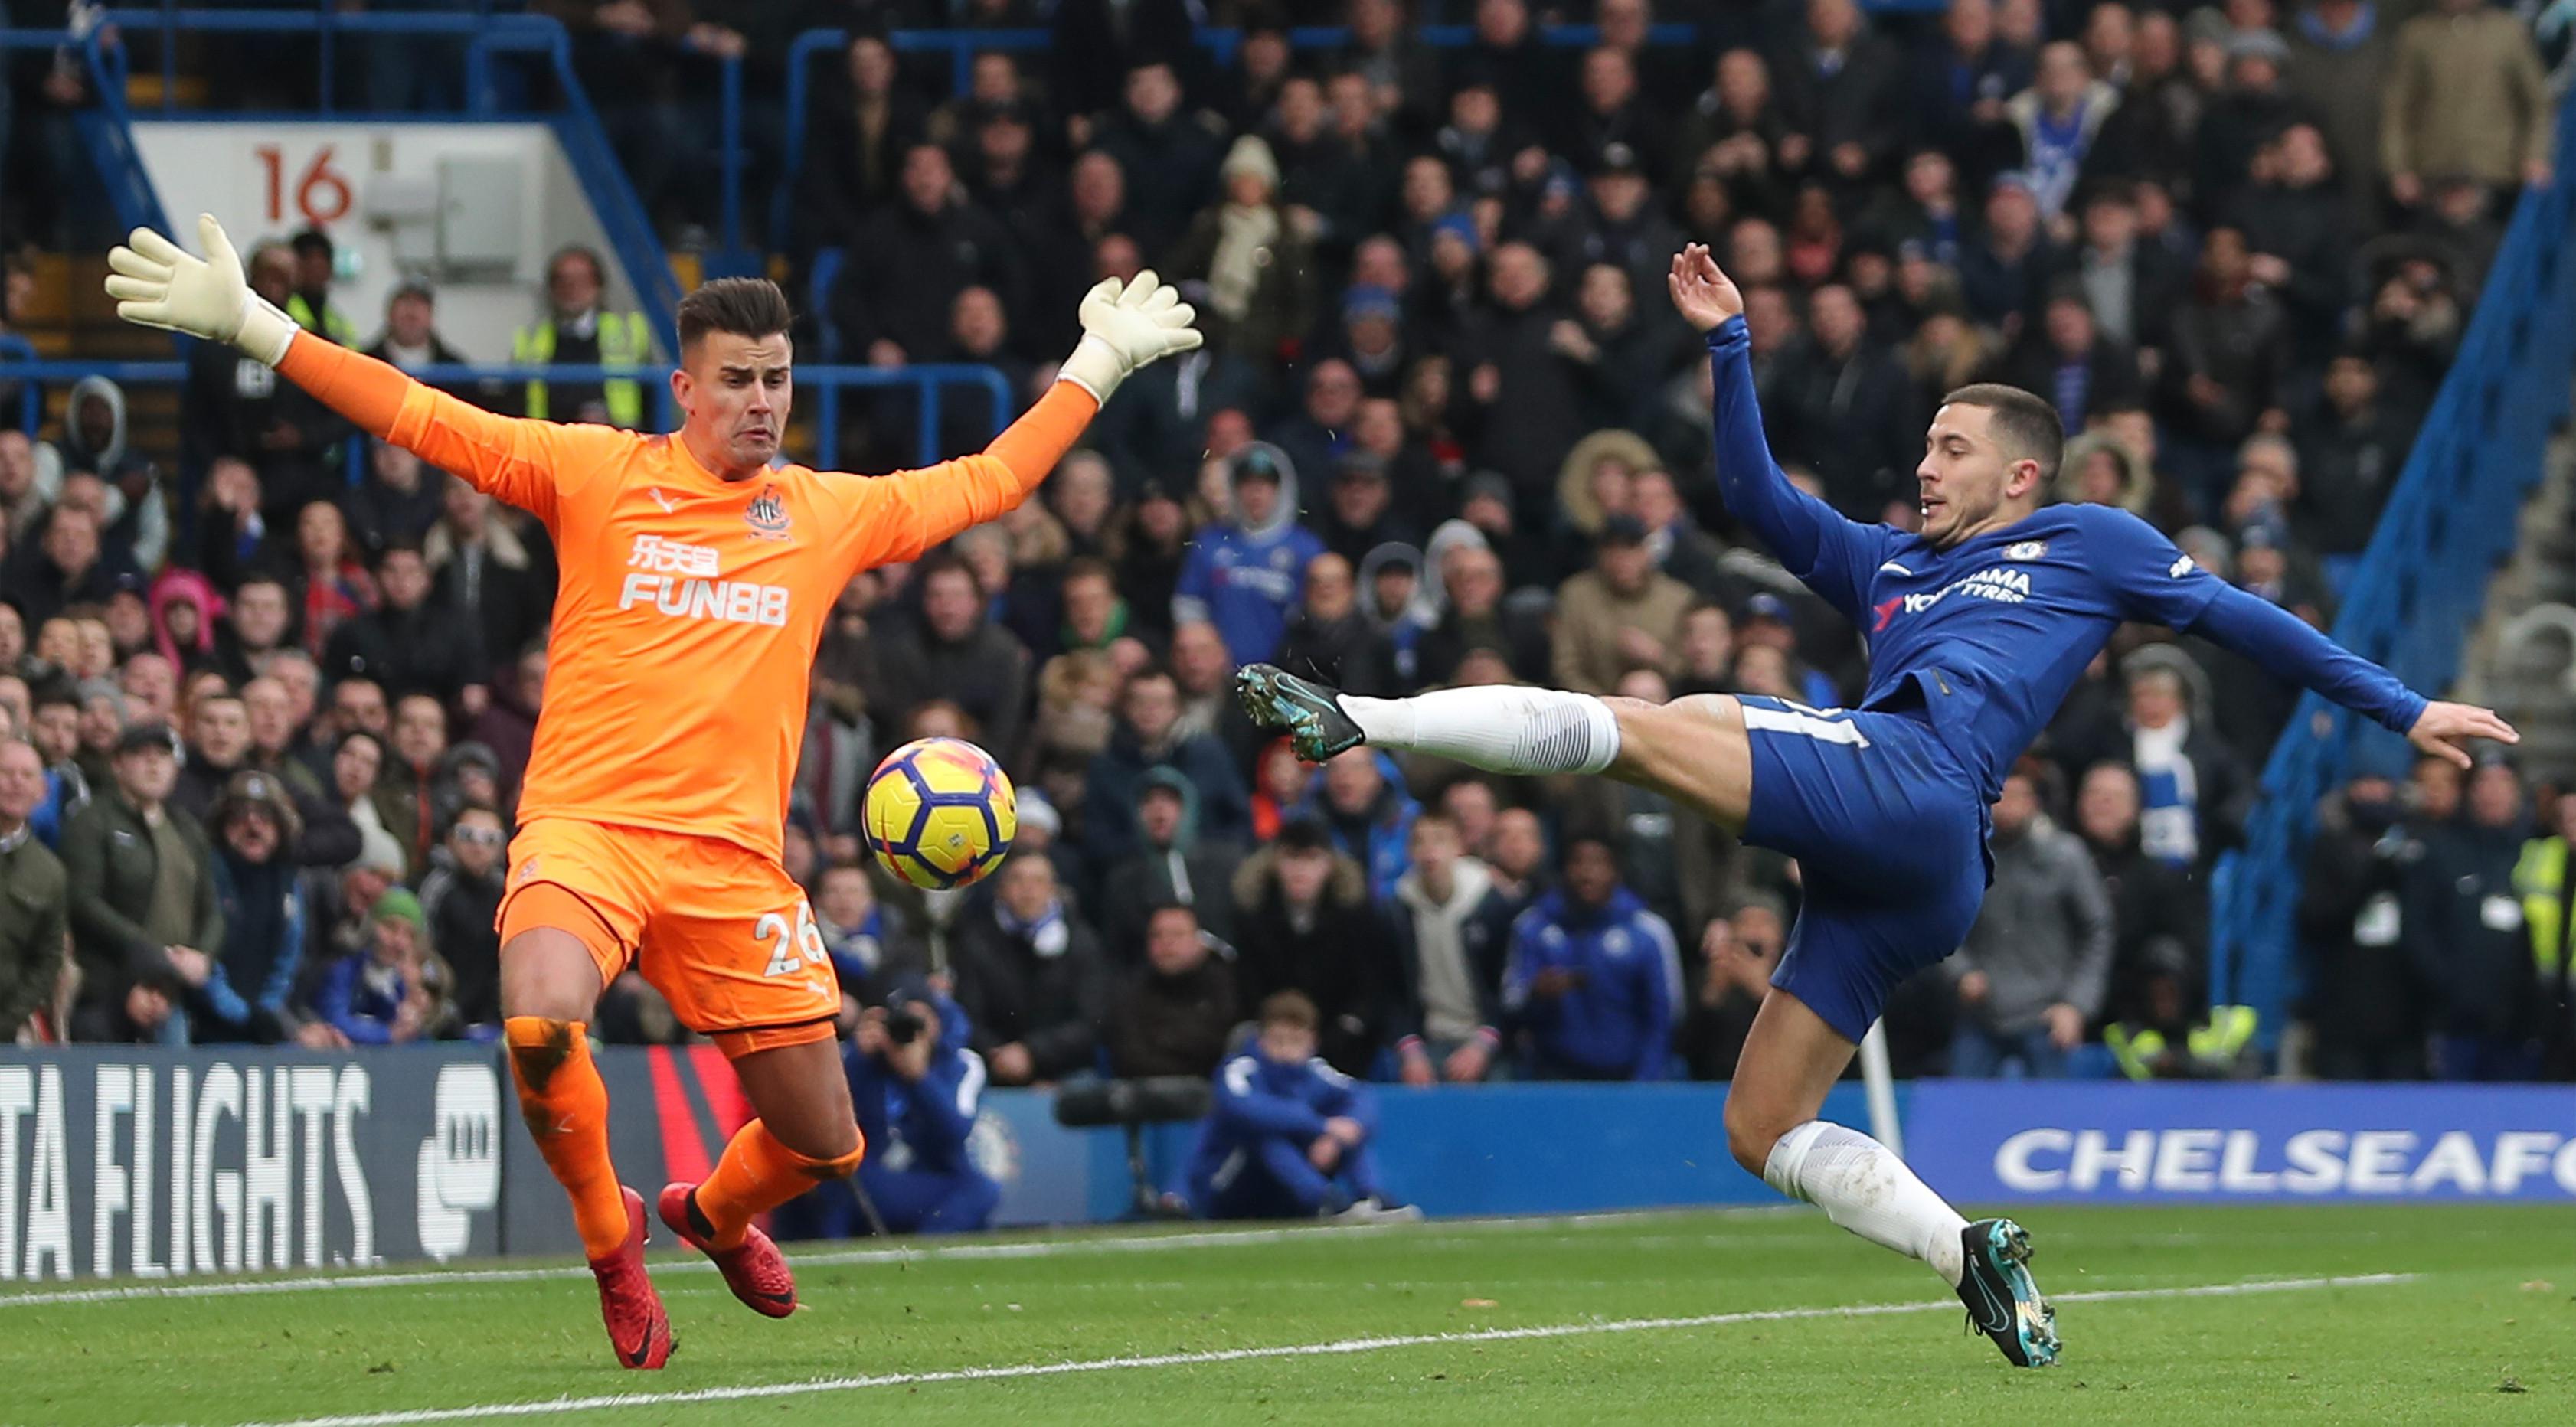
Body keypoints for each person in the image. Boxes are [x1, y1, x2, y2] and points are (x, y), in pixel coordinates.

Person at [1234, 241, 2513, 1367]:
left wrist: (2400, 709)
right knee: (1758, 1122)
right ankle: (1968, 1253)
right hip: (1908, 871)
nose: (1921, 466)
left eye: (1948, 449)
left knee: (1651, 725)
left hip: (1918, 784)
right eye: (1920, 445)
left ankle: (1361, 721)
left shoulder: (2088, 540)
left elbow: (2241, 620)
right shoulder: (1884, 564)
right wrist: (1729, 345)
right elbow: (1752, 499)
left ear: (2020, 473)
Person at [105, 214, 1199, 1365]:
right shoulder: (598, 472)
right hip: (589, 832)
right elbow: (425, 417)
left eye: (777, 380)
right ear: (685, 385)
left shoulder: (821, 514)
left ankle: (712, 1215)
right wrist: (254, 325)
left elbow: (986, 482)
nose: (762, 402)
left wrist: (1099, 364)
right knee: (536, 1018)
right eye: (737, 381)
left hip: (733, 869)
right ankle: (609, 1239)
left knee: (827, 1147)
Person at [777, 987, 1000, 1239]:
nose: (908, 1033)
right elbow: (825, 1122)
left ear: (936, 1024)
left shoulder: (961, 1064)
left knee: (982, 1189)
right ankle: (835, 1254)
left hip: (928, 1180)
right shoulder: (862, 1060)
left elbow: (955, 1134)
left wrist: (919, 1079)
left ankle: (927, 1253)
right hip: (870, 1183)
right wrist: (859, 1058)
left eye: (918, 1023)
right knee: (831, 1177)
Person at [1185, 991, 1414, 1222]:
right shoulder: (1238, 1068)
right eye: (1278, 1041)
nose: (1286, 1050)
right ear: (1262, 1040)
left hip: (1286, 1194)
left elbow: (1362, 1097)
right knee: (1264, 1136)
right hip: (1228, 1189)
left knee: (1349, 1129)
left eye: (1296, 1041)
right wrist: (1321, 1126)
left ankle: (1371, 1197)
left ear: (1312, 1042)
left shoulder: (1316, 1070)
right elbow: (1245, 1108)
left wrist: (1335, 1136)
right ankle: (1326, 1201)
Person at [62, 723, 224, 1046]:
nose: (153, 764)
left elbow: (212, 907)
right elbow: (82, 901)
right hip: (107, 992)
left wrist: (203, 955)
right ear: (118, 764)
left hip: (170, 995)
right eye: (141, 755)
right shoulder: (92, 820)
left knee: (171, 1090)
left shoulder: (187, 828)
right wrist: (151, 951)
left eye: (163, 756)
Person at [1947, 766, 2112, 1078]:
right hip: (1982, 1010)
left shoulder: (2065, 856)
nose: (2007, 805)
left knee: (2053, 1118)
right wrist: (1960, 972)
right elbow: (1940, 920)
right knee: (1959, 1107)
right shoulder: (1965, 855)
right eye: (2000, 796)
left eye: (2018, 796)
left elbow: (2097, 930)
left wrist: (2076, 1004)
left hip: (2048, 1012)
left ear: (2035, 802)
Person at [1499, 832, 1683, 1081]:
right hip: (1552, 1081)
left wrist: (1644, 1086)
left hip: (1628, 1078)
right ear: (1563, 871)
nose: (1587, 874)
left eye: (1598, 863)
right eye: (1577, 863)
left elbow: (1664, 1015)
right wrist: (1536, 995)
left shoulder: (1648, 931)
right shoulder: (1532, 927)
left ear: (1616, 873)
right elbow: (1510, 1002)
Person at [1105, 902, 1242, 1079]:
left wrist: (1162, 1040)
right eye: (1157, 935)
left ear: (1200, 941)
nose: (1166, 943)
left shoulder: (1226, 985)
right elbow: (1128, 1055)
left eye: (1177, 934)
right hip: (1144, 1091)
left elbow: (1218, 1046)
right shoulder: (1131, 989)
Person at [0, 738, 70, 1044]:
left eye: (27, 775)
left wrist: (9, 1020)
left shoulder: (49, 872)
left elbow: (47, 957)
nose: (16, 783)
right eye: (5, 772)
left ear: (42, 792)